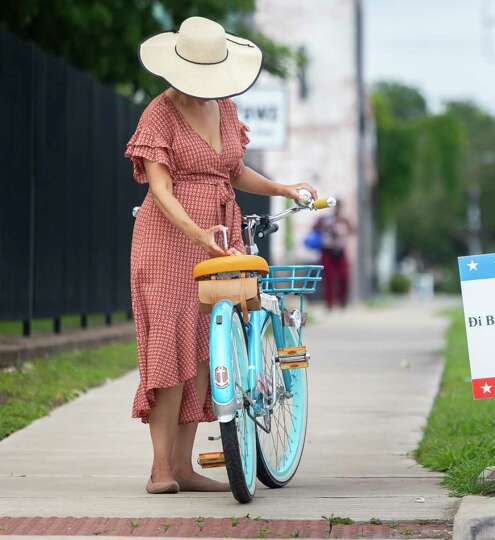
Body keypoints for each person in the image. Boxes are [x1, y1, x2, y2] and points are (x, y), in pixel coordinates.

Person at [125, 16, 317, 495]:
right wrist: (195, 233)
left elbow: (232, 171)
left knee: (204, 344)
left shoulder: (225, 109)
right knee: (170, 342)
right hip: (168, 239)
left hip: (219, 233)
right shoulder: (159, 113)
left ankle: (185, 468)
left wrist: (281, 187)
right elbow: (162, 189)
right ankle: (160, 470)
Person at [313, 201, 353, 309]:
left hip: (340, 250)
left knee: (344, 275)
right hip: (327, 250)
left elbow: (352, 230)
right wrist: (326, 225)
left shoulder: (344, 220)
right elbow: (315, 227)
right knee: (329, 277)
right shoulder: (325, 219)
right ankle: (329, 302)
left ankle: (343, 300)